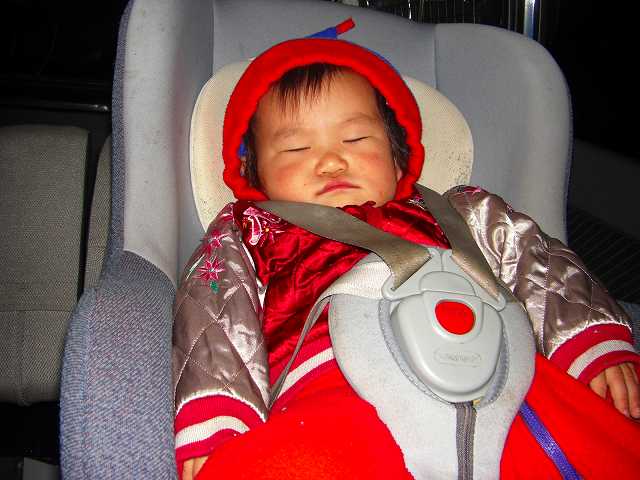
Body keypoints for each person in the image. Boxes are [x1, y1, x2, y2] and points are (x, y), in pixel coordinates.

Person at [173, 21, 640, 479]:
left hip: (503, 369)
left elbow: (537, 261)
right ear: (255, 176)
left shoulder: (460, 211)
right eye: (296, 149)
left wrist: (590, 341)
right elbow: (214, 312)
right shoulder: (250, 231)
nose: (331, 160)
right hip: (332, 382)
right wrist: (219, 412)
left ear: (398, 159)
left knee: (598, 446)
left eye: (355, 139)